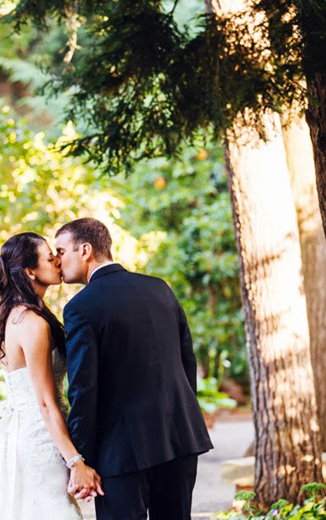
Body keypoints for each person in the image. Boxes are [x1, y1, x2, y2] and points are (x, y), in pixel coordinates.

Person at [55, 218, 214, 520]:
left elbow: (82, 389)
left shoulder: (81, 307)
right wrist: (183, 415)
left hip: (122, 452)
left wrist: (81, 459)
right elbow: (187, 360)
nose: (58, 260)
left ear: (85, 250)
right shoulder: (159, 288)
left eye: (62, 251)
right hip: (179, 437)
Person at [0, 232, 102, 520]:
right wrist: (75, 462)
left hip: (29, 432)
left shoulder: (17, 315)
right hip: (41, 437)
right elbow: (46, 402)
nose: (59, 263)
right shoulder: (32, 324)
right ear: (30, 271)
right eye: (51, 258)